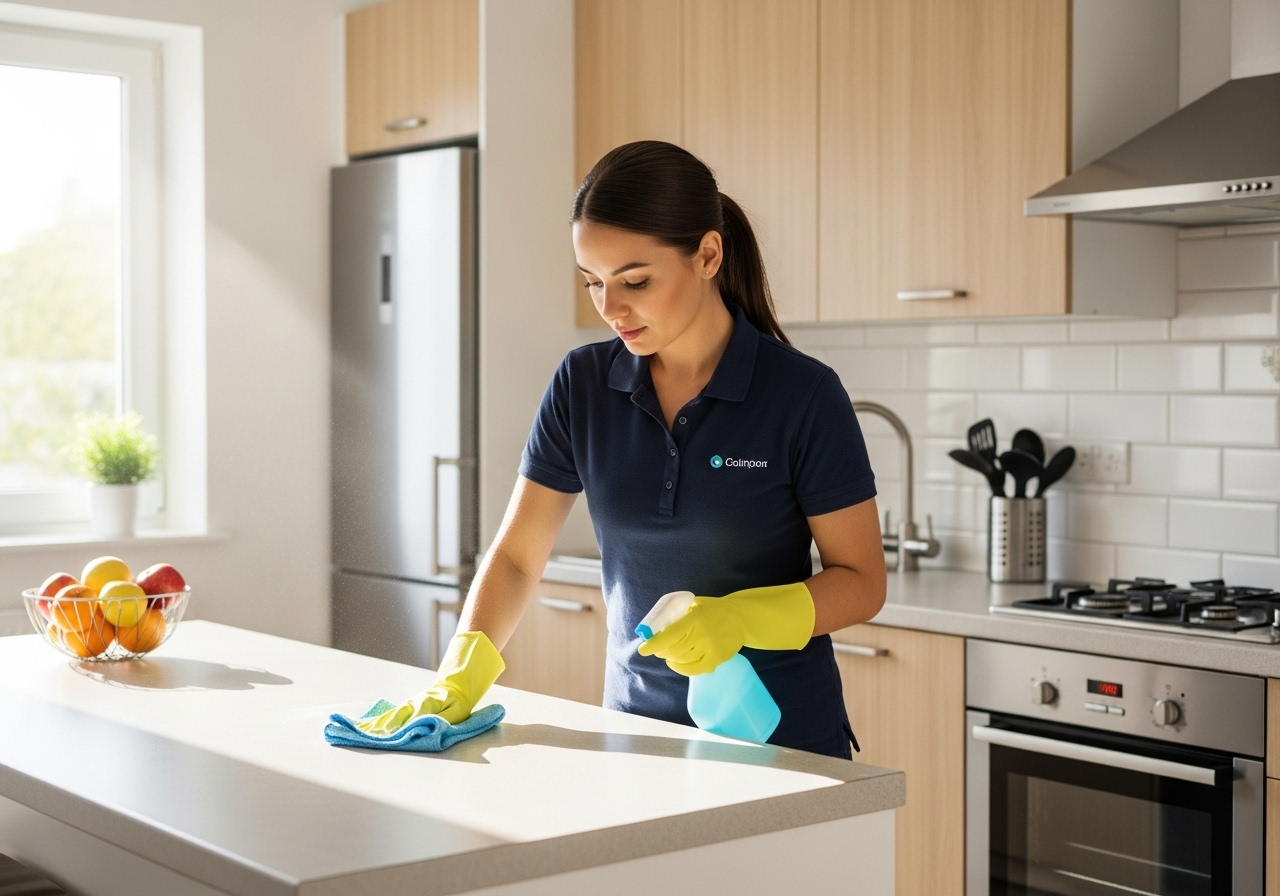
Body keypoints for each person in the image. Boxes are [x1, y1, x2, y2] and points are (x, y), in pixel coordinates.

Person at [360, 141, 887, 758]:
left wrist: (740, 620)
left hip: (781, 743)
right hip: (637, 738)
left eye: (635, 280)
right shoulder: (583, 385)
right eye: (593, 283)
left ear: (708, 255)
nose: (611, 308)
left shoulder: (802, 394)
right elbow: (518, 557)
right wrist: (461, 670)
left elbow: (861, 581)